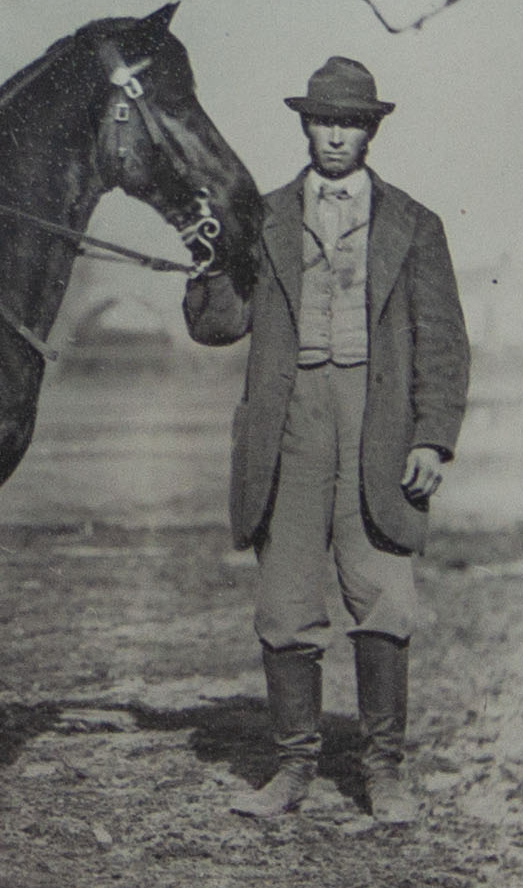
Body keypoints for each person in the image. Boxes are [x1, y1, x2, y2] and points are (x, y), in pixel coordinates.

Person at [183, 55, 470, 822]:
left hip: (379, 425)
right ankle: (292, 770)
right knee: (283, 604)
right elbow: (217, 325)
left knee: (382, 596)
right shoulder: (263, 219)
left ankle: (385, 773)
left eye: (350, 122)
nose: (335, 135)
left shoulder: (414, 225)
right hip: (290, 424)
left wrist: (432, 440)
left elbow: (442, 342)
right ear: (305, 125)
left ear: (370, 130)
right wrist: (208, 257)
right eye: (323, 120)